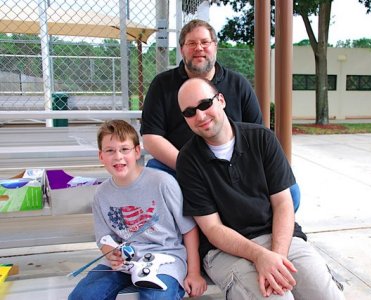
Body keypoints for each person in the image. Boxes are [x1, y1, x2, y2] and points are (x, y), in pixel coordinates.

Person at [176, 78, 345, 299]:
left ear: (221, 100)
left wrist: (276, 258)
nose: (199, 115)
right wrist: (260, 256)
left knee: (328, 296)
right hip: (226, 250)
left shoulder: (262, 138)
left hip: (279, 236)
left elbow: (284, 203)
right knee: (277, 298)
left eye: (205, 104)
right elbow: (213, 229)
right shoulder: (188, 160)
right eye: (189, 112)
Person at [140, 19, 300, 211]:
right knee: (154, 178)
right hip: (182, 164)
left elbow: (257, 133)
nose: (198, 48)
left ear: (215, 46)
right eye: (191, 43)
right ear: (182, 49)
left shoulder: (238, 84)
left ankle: (256, 228)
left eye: (204, 42)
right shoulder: (162, 85)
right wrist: (190, 167)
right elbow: (151, 138)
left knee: (291, 194)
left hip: (234, 166)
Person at [69, 120, 207, 300]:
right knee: (83, 296)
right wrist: (110, 252)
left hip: (164, 259)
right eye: (110, 151)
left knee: (156, 297)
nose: (118, 157)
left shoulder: (162, 183)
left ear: (136, 151)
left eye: (124, 149)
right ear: (101, 156)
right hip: (124, 263)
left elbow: (189, 230)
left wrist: (194, 273)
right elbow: (104, 238)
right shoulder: (101, 194)